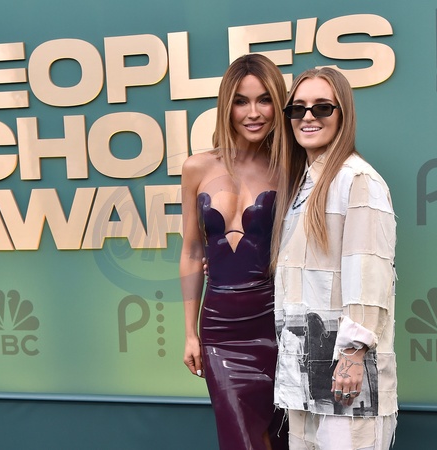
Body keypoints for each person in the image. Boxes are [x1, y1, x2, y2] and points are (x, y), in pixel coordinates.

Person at [270, 67, 398, 449]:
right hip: (301, 371)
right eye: (298, 109)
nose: (308, 116)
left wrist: (353, 353)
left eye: (322, 107)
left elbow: (368, 270)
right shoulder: (301, 185)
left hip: (345, 373)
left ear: (343, 114)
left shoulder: (358, 180)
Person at [180, 54, 289, 450]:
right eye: (242, 101)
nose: (253, 113)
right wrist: (190, 333)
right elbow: (192, 250)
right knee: (241, 439)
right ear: (227, 106)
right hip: (220, 330)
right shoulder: (196, 167)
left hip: (277, 325)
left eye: (265, 100)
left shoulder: (291, 168)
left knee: (281, 438)